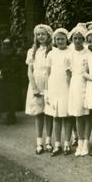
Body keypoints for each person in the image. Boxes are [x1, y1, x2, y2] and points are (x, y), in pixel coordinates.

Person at [25, 24, 54, 154]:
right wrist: (34, 87)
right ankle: (39, 143)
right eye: (38, 34)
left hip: (49, 83)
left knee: (49, 113)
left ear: (48, 35)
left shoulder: (53, 50)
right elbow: (30, 71)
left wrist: (51, 87)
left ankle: (48, 141)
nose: (41, 37)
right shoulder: (32, 51)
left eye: (43, 34)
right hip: (36, 83)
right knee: (38, 113)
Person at [45, 28, 73, 156]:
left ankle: (67, 143)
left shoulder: (71, 51)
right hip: (54, 86)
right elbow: (48, 72)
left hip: (66, 86)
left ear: (66, 39)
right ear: (54, 40)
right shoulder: (51, 53)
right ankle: (57, 144)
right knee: (56, 116)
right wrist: (47, 90)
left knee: (66, 116)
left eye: (62, 39)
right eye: (58, 39)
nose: (60, 41)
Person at [67, 26, 90, 157]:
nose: (77, 41)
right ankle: (80, 142)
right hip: (75, 84)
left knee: (87, 114)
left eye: (80, 38)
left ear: (83, 39)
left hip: (87, 83)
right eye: (75, 38)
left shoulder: (87, 52)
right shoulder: (70, 54)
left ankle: (86, 142)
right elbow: (68, 74)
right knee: (78, 114)